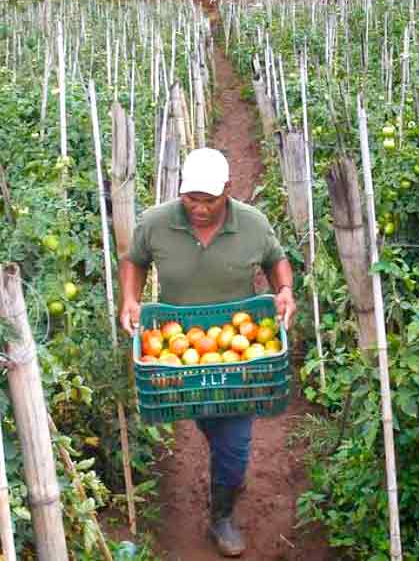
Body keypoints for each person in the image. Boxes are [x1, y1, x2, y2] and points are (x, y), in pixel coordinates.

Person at [118, 147, 296, 557]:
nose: (198, 207)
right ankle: (228, 471)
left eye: (208, 199)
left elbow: (276, 260)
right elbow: (134, 260)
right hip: (176, 348)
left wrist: (284, 291)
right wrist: (130, 299)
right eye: (191, 198)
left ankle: (222, 514)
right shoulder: (156, 222)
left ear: (228, 191)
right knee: (207, 420)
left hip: (238, 347)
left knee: (233, 437)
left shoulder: (252, 224)